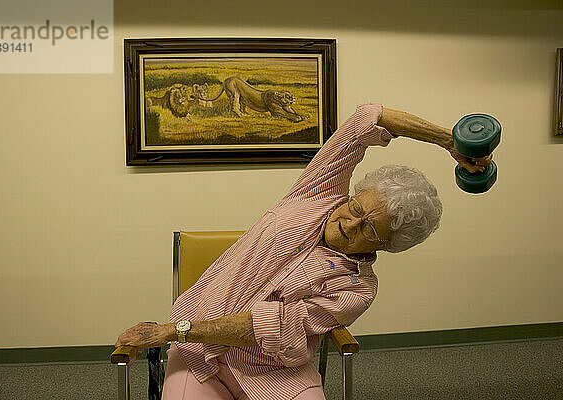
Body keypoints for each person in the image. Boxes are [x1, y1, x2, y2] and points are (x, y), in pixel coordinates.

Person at [116, 103, 493, 400]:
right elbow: (369, 118)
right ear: (352, 195)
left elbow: (265, 328)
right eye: (356, 208)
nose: (349, 223)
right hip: (198, 352)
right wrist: (450, 140)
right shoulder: (317, 194)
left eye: (369, 229)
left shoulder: (357, 289)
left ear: (388, 245)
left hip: (270, 369)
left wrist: (172, 331)